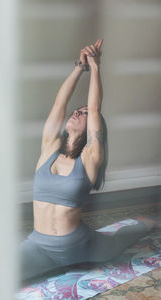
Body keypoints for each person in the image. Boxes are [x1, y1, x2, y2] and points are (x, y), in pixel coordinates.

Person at [18, 38, 160, 285]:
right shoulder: (49, 148)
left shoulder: (90, 157)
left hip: (81, 246)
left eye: (83, 113)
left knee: (130, 233)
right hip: (39, 246)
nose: (77, 112)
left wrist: (95, 66)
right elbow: (59, 104)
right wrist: (79, 67)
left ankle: (151, 220)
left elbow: (95, 109)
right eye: (77, 110)